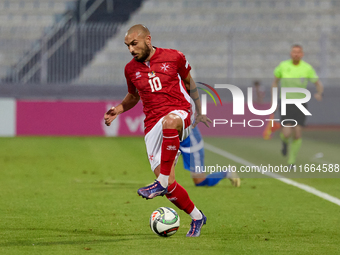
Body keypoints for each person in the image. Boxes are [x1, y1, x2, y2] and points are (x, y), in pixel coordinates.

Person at [104, 24, 212, 237]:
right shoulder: (130, 69)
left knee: (170, 122)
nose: (131, 49)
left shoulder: (174, 57)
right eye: (127, 46)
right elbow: (133, 96)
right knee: (171, 185)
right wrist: (118, 109)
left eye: (134, 44)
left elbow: (190, 83)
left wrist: (199, 111)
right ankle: (198, 217)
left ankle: (159, 183)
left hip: (180, 112)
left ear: (148, 40)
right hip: (152, 124)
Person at [272, 44, 323, 167]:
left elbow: (318, 83)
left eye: (298, 52)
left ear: (302, 54)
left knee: (298, 133)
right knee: (286, 133)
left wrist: (319, 93)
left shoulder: (307, 68)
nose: (296, 54)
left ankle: (291, 161)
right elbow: (275, 82)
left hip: (300, 103)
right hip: (285, 102)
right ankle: (284, 142)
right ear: (290, 53)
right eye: (294, 52)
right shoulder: (283, 66)